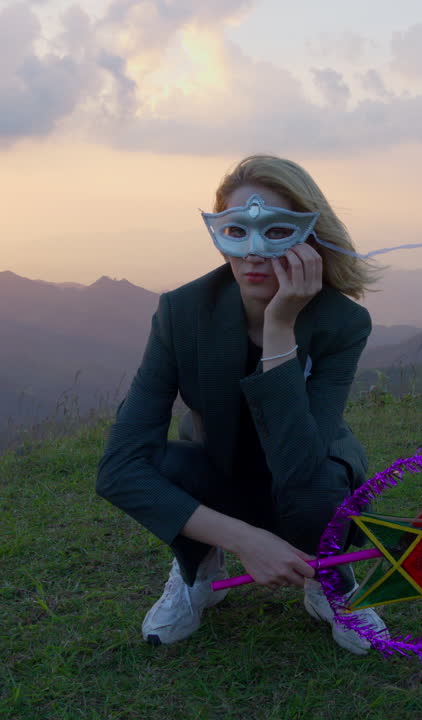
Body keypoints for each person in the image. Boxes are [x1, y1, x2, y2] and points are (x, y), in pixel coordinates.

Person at [95, 154, 392, 654]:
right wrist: (243, 540)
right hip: (219, 468)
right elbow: (119, 468)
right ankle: (198, 568)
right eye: (236, 230)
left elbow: (298, 465)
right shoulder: (180, 313)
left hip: (308, 471)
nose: (254, 253)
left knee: (321, 483)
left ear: (311, 236)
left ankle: (327, 578)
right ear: (218, 231)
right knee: (164, 466)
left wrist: (280, 329)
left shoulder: (343, 323)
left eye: (277, 231)